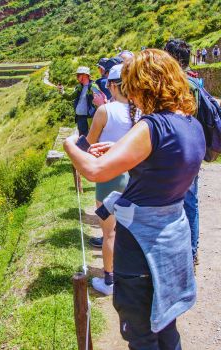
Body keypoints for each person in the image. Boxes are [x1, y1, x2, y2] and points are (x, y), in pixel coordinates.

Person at [64, 49, 205, 349]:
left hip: (140, 246)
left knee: (140, 335)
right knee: (167, 328)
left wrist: (70, 147)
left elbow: (94, 170)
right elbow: (162, 163)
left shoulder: (152, 126)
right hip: (171, 239)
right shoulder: (191, 125)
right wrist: (116, 148)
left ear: (145, 85)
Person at [86, 64, 137, 295]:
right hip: (136, 175)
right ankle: (131, 274)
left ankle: (109, 280)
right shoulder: (142, 111)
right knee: (131, 229)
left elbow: (89, 142)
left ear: (113, 85)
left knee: (110, 232)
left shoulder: (105, 111)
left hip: (110, 176)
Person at [164, 38, 202, 265]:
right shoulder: (196, 82)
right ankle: (192, 250)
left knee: (177, 201)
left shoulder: (178, 84)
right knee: (190, 201)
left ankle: (184, 252)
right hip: (194, 148)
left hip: (178, 149)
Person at [58, 66, 101, 136]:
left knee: (88, 138)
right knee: (82, 138)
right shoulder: (79, 87)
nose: (77, 77)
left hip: (88, 118)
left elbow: (100, 102)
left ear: (85, 75)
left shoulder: (93, 87)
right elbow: (70, 97)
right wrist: (62, 91)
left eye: (78, 75)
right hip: (79, 118)